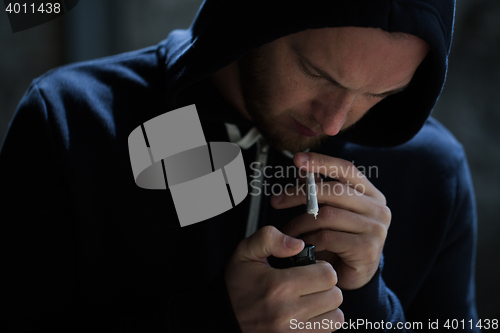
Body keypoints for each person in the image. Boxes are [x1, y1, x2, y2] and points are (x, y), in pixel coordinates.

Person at [0, 0, 479, 332]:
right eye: (316, 74)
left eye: (380, 95)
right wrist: (209, 324)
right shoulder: (75, 121)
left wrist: (366, 305)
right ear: (253, 17)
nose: (334, 123)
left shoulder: (430, 171)